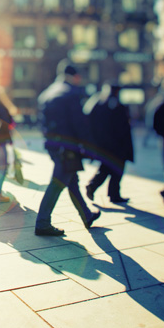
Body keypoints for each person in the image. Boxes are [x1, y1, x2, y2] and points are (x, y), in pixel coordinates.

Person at [35, 61, 101, 236]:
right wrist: (89, 147)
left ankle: (86, 215)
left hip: (53, 145)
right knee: (58, 183)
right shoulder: (71, 93)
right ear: (75, 77)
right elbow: (80, 124)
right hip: (68, 148)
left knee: (72, 181)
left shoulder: (47, 93)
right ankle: (42, 223)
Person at [82, 83, 133, 203]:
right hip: (117, 145)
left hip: (105, 145)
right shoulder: (114, 104)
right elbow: (121, 127)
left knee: (106, 168)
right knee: (116, 169)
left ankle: (104, 190)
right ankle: (106, 191)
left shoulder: (99, 102)